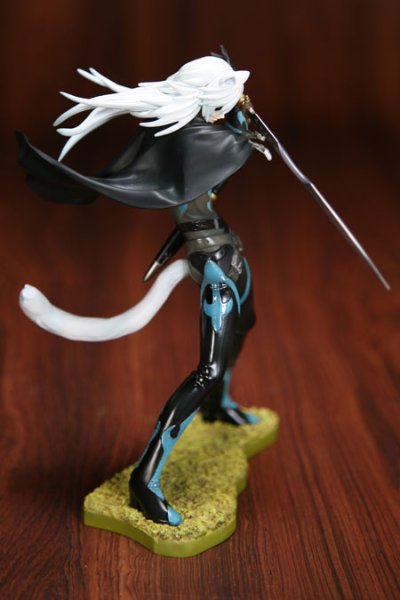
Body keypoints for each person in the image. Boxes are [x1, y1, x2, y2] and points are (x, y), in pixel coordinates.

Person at [17, 53, 271, 526]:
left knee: (247, 323)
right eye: (226, 101)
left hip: (229, 251)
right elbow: (231, 149)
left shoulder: (201, 138)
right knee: (207, 370)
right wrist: (246, 126)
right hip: (214, 267)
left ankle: (220, 407)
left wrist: (241, 117)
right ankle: (145, 479)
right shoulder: (194, 144)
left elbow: (229, 151)